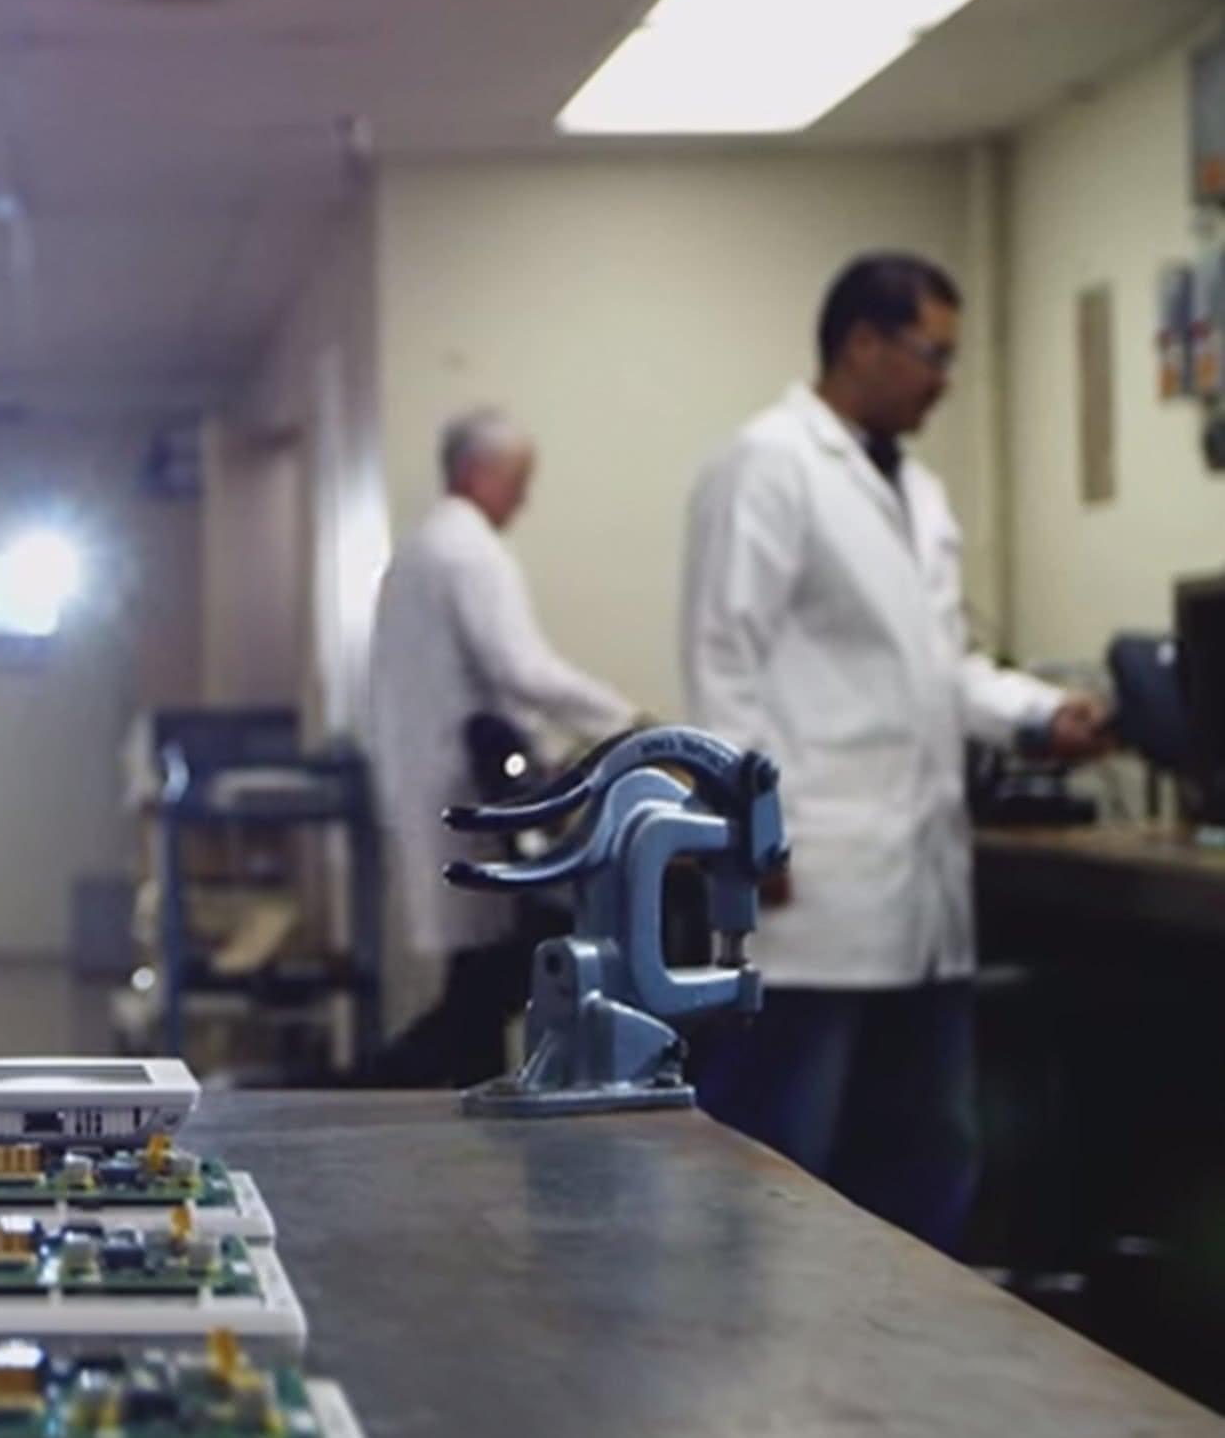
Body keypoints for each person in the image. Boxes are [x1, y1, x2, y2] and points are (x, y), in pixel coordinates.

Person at [681, 252, 1110, 1252]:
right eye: (933, 354)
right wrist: (753, 833)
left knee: (929, 1156)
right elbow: (722, 658)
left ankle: (902, 1351)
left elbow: (941, 667)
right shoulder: (769, 463)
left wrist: (1041, 716)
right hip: (816, 883)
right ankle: (747, 1351)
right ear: (863, 343)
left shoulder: (918, 490)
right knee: (779, 1165)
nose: (944, 380)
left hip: (918, 893)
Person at [370, 409, 641, 1086]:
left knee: (481, 981)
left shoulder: (422, 550)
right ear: (477, 472)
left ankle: (439, 1095)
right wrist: (627, 719)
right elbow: (521, 668)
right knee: (488, 978)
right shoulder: (468, 552)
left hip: (440, 785)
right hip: (470, 793)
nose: (524, 498)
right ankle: (380, 1082)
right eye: (518, 480)